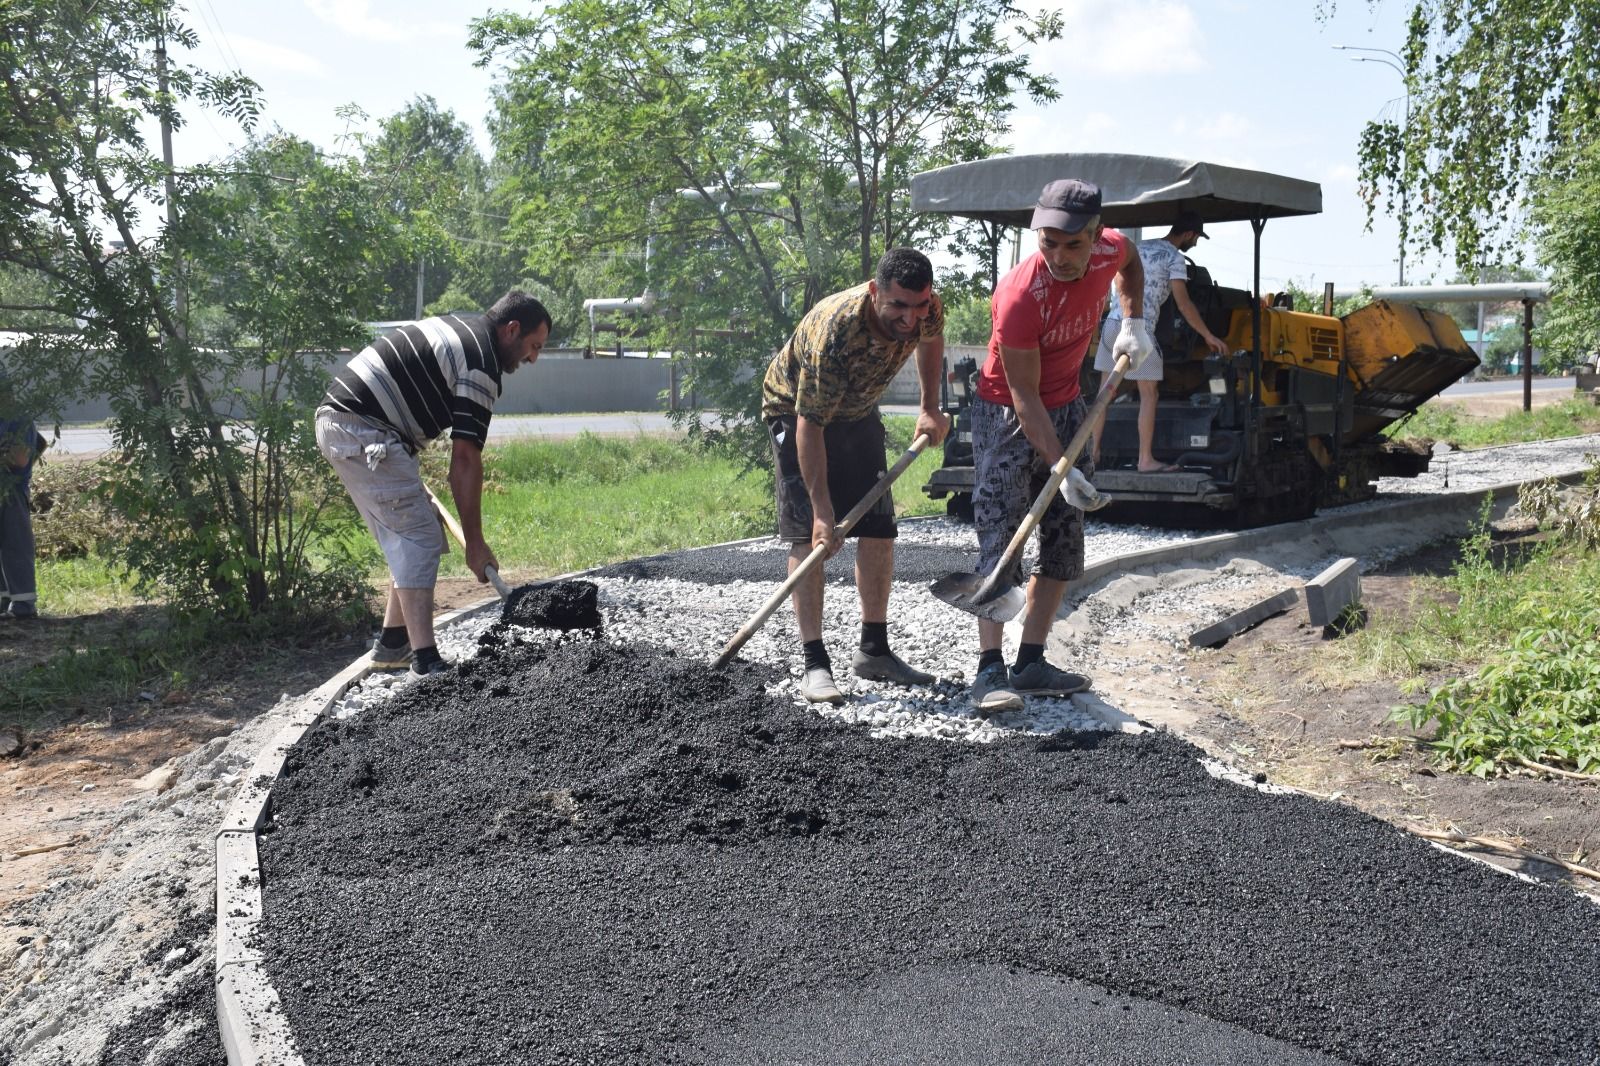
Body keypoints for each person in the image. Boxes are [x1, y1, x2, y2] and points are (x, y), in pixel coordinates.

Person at [967, 179, 1151, 714]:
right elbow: (1023, 394)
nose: (1059, 256)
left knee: (1064, 536)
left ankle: (1031, 662)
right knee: (1003, 537)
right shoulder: (1020, 295)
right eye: (1048, 242)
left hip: (1070, 403)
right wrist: (1059, 466)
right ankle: (989, 670)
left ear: (1096, 236)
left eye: (1073, 244)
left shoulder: (1111, 250)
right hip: (1006, 410)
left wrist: (1133, 322)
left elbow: (1132, 264)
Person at [315, 291, 551, 675]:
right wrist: (475, 543)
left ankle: (393, 643)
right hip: (362, 428)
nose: (534, 358)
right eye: (534, 346)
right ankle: (425, 661)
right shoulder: (480, 363)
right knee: (418, 535)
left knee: (412, 529)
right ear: (512, 330)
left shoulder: (466, 331)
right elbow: (465, 459)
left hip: (357, 426)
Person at [760, 247, 951, 704]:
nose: (910, 319)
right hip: (796, 413)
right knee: (811, 537)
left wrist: (929, 408)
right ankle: (814, 663)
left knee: (880, 528)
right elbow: (810, 428)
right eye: (898, 307)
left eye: (919, 305)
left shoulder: (928, 308)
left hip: (859, 411)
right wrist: (824, 513)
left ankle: (874, 651)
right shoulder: (837, 331)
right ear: (874, 292)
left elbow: (931, 340)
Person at [1091, 209, 1229, 471]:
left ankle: (1093, 454)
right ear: (1188, 234)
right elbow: (1184, 304)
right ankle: (1145, 460)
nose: (1196, 243)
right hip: (1138, 329)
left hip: (1112, 324)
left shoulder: (1138, 247)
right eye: (1197, 238)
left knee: (1104, 393)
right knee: (1149, 393)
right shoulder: (1174, 258)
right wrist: (1208, 335)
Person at [0, 383, 44, 621]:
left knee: (16, 546)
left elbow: (18, 458)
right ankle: (4, 600)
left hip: (13, 490)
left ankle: (24, 606)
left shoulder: (19, 419)